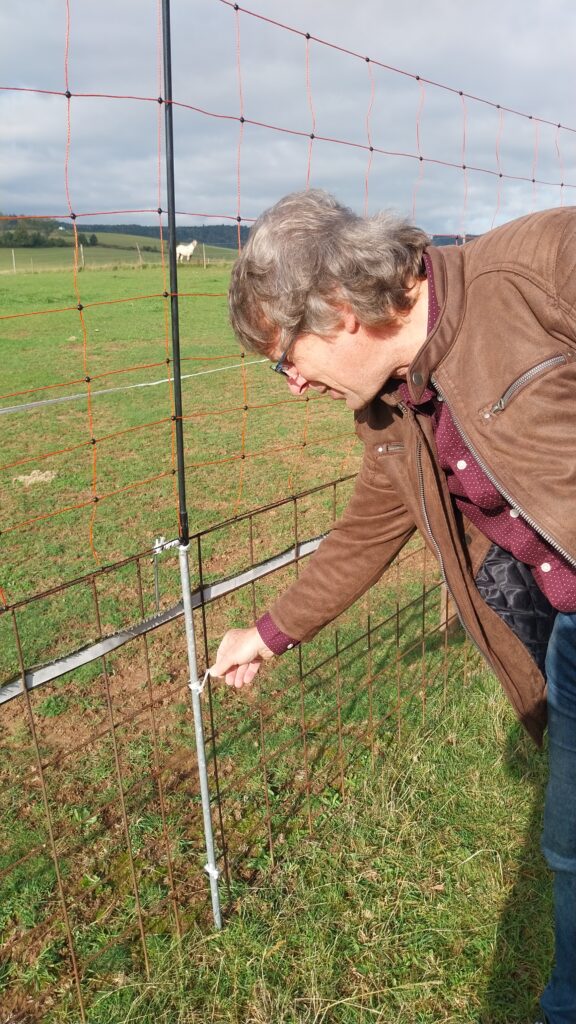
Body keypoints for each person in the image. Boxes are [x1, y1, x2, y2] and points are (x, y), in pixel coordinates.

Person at [211, 189, 576, 1024]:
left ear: (338, 309)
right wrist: (267, 635)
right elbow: (365, 533)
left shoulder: (543, 264)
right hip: (571, 638)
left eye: (284, 358)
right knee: (569, 851)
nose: (294, 385)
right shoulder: (394, 411)